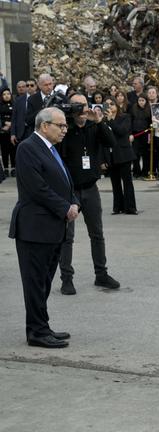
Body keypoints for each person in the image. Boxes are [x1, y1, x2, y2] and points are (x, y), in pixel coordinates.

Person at [10, 107, 80, 348]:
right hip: (35, 228)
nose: (64, 129)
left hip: (52, 228)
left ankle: (42, 326)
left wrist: (74, 202)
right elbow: (37, 188)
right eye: (60, 125)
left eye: (65, 126)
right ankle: (36, 332)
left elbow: (63, 181)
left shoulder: (50, 149)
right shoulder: (27, 148)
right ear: (44, 126)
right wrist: (65, 208)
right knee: (35, 283)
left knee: (44, 282)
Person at [57, 94, 121, 295]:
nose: (82, 109)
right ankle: (67, 278)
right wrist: (68, 122)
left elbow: (112, 142)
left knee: (97, 234)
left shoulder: (95, 126)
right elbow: (58, 150)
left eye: (84, 105)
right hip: (69, 190)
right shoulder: (64, 128)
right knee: (67, 237)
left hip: (91, 188)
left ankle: (101, 274)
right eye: (77, 106)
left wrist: (99, 121)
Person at [104, 97, 137, 215]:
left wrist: (111, 120)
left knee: (127, 182)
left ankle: (130, 207)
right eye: (107, 105)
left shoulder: (125, 117)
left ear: (117, 106)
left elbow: (122, 131)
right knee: (115, 182)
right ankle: (117, 207)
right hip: (111, 155)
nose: (110, 107)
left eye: (112, 104)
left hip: (124, 154)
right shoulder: (103, 120)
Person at [128, 93, 150, 178]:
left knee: (145, 154)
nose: (141, 102)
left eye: (143, 100)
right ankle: (136, 171)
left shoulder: (149, 110)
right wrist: (130, 134)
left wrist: (149, 137)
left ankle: (145, 171)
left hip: (145, 134)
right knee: (135, 154)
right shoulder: (133, 109)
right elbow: (130, 122)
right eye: (139, 100)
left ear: (146, 101)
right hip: (135, 134)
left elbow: (150, 124)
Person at [0, 88, 13, 177]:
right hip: (3, 131)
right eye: (4, 94)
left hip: (12, 131)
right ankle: (5, 168)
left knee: (13, 150)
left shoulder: (15, 104)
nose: (6, 96)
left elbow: (16, 115)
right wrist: (4, 123)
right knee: (4, 151)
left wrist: (11, 123)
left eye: (8, 94)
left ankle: (13, 168)